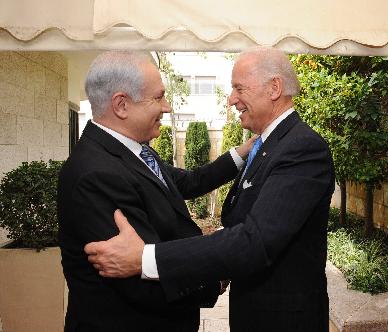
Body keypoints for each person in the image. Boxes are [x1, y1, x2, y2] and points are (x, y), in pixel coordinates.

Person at [85, 47, 335, 331]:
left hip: (283, 320)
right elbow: (230, 211)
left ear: (274, 88)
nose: (231, 100)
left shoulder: (301, 148)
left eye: (239, 88)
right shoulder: (269, 144)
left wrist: (147, 258)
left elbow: (255, 241)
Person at [58, 51, 253, 332]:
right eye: (158, 97)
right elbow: (138, 280)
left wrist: (243, 152)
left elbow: (187, 182)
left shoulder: (132, 152)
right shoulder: (97, 174)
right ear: (121, 104)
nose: (168, 107)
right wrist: (214, 276)